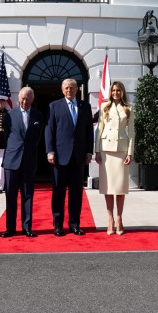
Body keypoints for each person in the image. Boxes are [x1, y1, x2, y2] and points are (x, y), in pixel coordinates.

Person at [44, 77, 93, 235]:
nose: (69, 90)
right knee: (58, 191)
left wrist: (88, 152)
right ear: (62, 89)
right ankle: (58, 225)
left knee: (76, 192)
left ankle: (74, 223)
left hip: (78, 156)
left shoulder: (85, 106)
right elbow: (49, 130)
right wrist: (49, 151)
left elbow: (89, 132)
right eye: (66, 88)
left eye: (72, 88)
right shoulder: (54, 106)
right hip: (59, 156)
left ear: (77, 90)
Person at [94, 80, 135, 234]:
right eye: (113, 90)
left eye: (118, 90)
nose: (115, 93)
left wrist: (130, 153)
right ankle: (110, 219)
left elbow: (131, 133)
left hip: (122, 150)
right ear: (110, 92)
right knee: (108, 188)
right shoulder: (104, 107)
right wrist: (97, 150)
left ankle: (119, 218)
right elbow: (99, 130)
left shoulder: (129, 109)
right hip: (106, 150)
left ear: (122, 92)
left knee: (120, 188)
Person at [1, 86, 43, 238]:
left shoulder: (38, 116)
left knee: (27, 196)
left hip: (28, 161)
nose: (25, 101)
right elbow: (7, 136)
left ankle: (27, 227)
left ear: (32, 99)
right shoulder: (9, 115)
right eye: (22, 98)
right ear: (19, 98)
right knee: (10, 196)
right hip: (12, 161)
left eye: (28, 99)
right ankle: (10, 228)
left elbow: (38, 138)